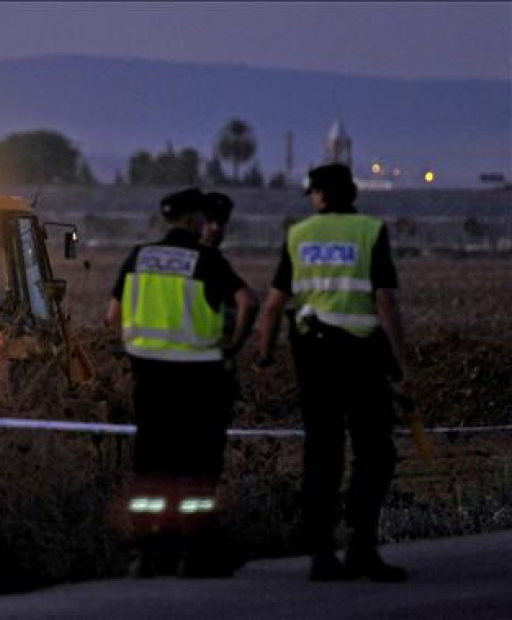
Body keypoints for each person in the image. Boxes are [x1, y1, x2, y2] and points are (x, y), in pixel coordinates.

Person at [255, 163, 411, 582]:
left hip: (315, 356)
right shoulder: (370, 231)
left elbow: (272, 304)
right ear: (353, 193)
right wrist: (403, 365)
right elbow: (385, 303)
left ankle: (322, 554)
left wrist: (266, 352)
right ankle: (363, 547)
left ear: (320, 195)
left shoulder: (299, 235)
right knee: (374, 453)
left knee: (321, 455)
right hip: (363, 357)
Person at [107, 188, 258, 578]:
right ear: (193, 219)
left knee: (151, 466)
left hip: (149, 378)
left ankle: (147, 553)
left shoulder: (138, 257)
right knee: (195, 465)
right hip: (199, 380)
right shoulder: (205, 260)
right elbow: (248, 302)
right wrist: (232, 345)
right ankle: (193, 551)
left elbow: (112, 316)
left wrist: (136, 347)